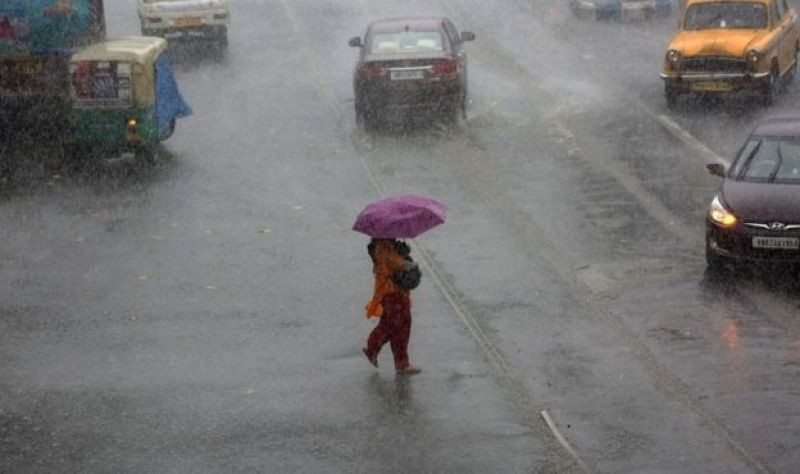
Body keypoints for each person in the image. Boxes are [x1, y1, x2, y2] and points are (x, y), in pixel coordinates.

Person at [362, 238, 421, 375]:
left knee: (390, 324)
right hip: (393, 293)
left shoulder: (382, 244)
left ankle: (374, 348)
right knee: (401, 327)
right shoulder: (384, 246)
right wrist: (410, 265)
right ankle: (400, 362)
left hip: (388, 293)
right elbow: (395, 262)